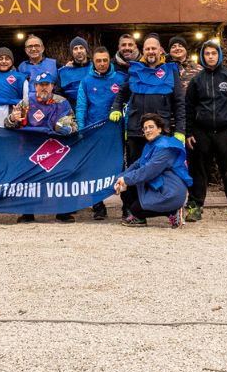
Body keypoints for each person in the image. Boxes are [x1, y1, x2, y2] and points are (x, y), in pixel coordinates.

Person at [185, 39, 227, 225]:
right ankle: (195, 207)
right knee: (198, 171)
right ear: (202, 56)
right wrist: (188, 133)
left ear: (219, 55)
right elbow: (188, 108)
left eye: (214, 53)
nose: (210, 57)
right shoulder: (196, 80)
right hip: (201, 133)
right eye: (207, 54)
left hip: (225, 132)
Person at [5, 72, 75, 223]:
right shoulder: (26, 103)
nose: (44, 87)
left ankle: (63, 211)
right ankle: (27, 212)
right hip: (30, 147)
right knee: (28, 180)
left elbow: (74, 125)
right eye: (40, 85)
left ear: (52, 86)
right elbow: (8, 125)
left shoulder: (62, 102)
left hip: (55, 147)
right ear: (35, 86)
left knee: (61, 177)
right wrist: (12, 119)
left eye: (47, 84)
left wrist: (68, 129)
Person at [113, 33, 186, 168]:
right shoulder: (135, 70)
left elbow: (179, 102)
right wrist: (116, 108)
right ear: (143, 51)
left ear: (160, 50)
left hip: (161, 132)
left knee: (159, 170)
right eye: (147, 49)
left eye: (153, 48)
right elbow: (122, 93)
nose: (150, 51)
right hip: (136, 131)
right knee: (135, 169)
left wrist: (180, 130)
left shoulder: (170, 71)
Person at [114, 113, 193, 228]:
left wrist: (125, 179)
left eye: (151, 127)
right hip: (161, 186)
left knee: (135, 209)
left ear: (159, 129)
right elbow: (137, 165)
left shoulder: (165, 147)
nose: (148, 130)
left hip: (171, 191)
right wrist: (119, 179)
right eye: (145, 128)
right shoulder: (151, 145)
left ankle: (173, 211)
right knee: (128, 188)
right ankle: (166, 211)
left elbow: (149, 171)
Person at [75, 46, 125, 220]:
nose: (102, 64)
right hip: (94, 132)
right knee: (94, 170)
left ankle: (127, 205)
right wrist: (82, 130)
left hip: (115, 131)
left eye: (105, 60)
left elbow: (128, 103)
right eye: (98, 61)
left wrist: (125, 126)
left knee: (120, 167)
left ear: (109, 60)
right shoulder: (86, 81)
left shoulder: (120, 79)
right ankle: (98, 205)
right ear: (93, 62)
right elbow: (81, 106)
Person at [18, 35, 58, 101]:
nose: (33, 49)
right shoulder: (21, 67)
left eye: (36, 46)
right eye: (30, 46)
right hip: (29, 104)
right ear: (26, 50)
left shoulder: (54, 64)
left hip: (50, 104)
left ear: (43, 48)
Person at [57, 35, 92, 103]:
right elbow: (58, 92)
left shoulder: (95, 68)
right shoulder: (64, 72)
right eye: (75, 48)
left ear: (86, 50)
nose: (79, 51)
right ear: (72, 52)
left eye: (81, 47)